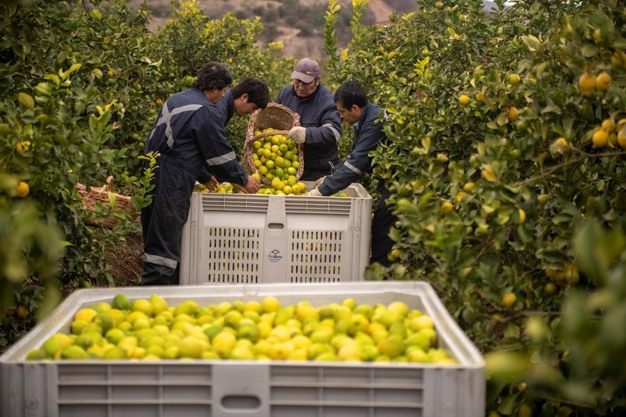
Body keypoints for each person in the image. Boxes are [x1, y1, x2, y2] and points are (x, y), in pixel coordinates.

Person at [141, 62, 261, 286]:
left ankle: (150, 291)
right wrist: (243, 179)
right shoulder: (205, 110)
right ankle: (155, 296)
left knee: (154, 236)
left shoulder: (177, 98)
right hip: (173, 179)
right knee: (165, 244)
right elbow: (220, 156)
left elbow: (183, 143)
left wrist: (204, 176)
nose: (224, 95)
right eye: (223, 90)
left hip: (152, 171)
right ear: (214, 88)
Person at [306, 80, 397, 267]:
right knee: (383, 225)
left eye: (342, 112)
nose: (341, 117)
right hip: (391, 182)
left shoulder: (375, 122)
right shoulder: (366, 119)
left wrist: (322, 191)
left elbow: (357, 164)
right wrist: (331, 178)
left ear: (354, 108)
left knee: (384, 229)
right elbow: (353, 157)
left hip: (400, 182)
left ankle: (381, 274)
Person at [276, 58, 342, 181]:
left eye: (306, 83)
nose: (300, 87)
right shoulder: (285, 94)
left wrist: (307, 134)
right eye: (297, 81)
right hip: (290, 167)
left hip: (319, 170)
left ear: (317, 80)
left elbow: (334, 133)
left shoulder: (328, 101)